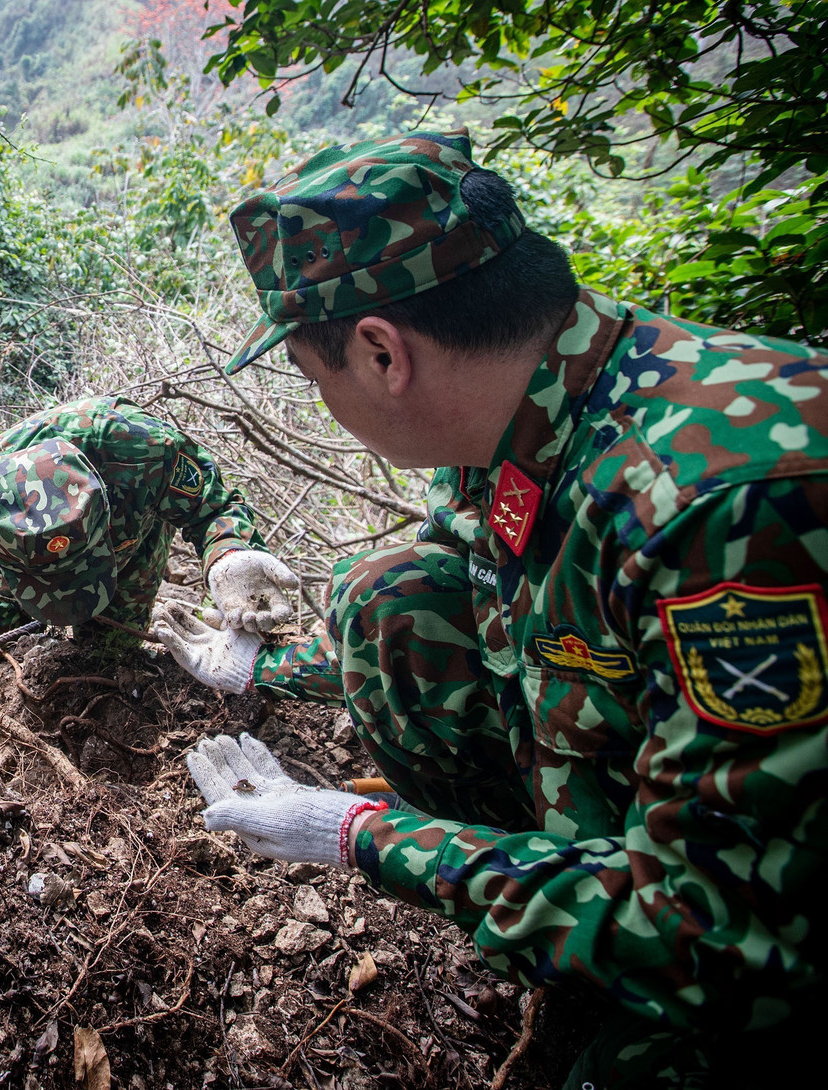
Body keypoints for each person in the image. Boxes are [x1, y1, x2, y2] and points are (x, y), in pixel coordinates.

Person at [150, 130, 828, 1087]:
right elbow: (468, 595)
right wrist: (261, 670)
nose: (322, 402)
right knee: (381, 600)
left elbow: (731, 944)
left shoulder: (719, 505)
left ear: (384, 352)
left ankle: (607, 982)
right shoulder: (538, 404)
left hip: (746, 939)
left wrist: (358, 833)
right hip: (661, 816)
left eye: (314, 377)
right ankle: (569, 942)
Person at [0, 394, 298, 689]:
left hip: (131, 544)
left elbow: (213, 507)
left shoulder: (143, 451)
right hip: (20, 573)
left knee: (109, 653)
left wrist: (228, 554)